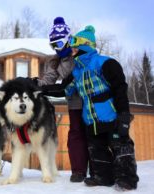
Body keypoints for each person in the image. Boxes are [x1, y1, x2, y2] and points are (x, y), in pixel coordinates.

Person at [50, 25, 139, 190]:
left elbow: (120, 88)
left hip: (111, 116)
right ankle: (102, 177)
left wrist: (124, 115)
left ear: (85, 45)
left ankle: (127, 178)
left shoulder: (105, 63)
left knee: (120, 146)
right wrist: (37, 88)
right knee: (97, 149)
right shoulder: (76, 71)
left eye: (75, 45)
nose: (72, 49)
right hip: (91, 120)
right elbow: (63, 89)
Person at [33, 17, 90, 182]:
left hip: (91, 100)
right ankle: (78, 171)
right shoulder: (55, 62)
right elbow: (48, 81)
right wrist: (35, 83)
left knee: (93, 135)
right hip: (74, 102)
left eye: (58, 44)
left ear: (67, 41)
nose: (56, 49)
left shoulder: (78, 53)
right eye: (53, 45)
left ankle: (98, 169)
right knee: (76, 135)